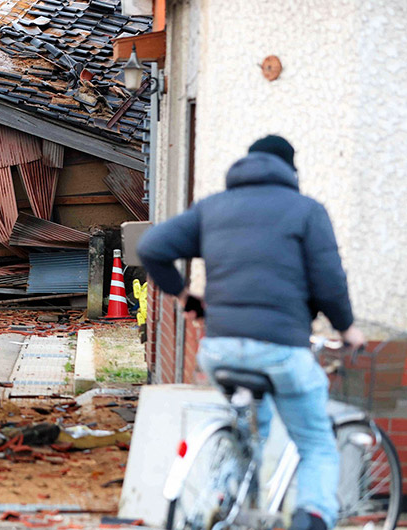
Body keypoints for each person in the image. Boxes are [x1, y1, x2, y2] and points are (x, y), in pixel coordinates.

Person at [137, 135, 366, 530]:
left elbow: (152, 246)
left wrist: (184, 295)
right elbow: (329, 284)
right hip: (280, 350)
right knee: (315, 444)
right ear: (290, 170)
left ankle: (224, 500)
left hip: (219, 349)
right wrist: (348, 330)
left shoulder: (212, 208)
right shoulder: (306, 211)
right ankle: (310, 518)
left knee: (248, 431)